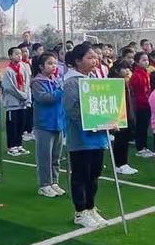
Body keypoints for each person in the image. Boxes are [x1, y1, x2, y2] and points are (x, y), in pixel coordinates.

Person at [63, 43, 109, 228]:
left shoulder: (94, 79)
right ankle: (80, 212)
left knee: (94, 174)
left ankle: (90, 207)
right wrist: (90, 123)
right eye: (90, 58)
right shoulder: (72, 82)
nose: (95, 61)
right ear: (77, 61)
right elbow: (71, 109)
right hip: (81, 137)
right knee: (81, 174)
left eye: (96, 58)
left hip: (97, 136)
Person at [31, 53, 65, 198]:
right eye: (50, 63)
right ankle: (44, 184)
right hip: (44, 124)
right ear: (41, 66)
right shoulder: (38, 83)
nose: (53, 66)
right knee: (45, 156)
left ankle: (54, 182)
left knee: (56, 156)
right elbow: (46, 99)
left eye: (55, 63)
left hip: (58, 123)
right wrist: (60, 90)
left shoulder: (56, 81)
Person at [109, 61, 138, 175]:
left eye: (128, 68)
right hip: (120, 115)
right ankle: (120, 164)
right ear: (117, 70)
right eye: (124, 68)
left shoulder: (125, 81)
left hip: (126, 114)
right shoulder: (116, 82)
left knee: (123, 140)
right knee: (120, 140)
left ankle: (123, 163)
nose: (127, 71)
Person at [2, 47, 31, 156]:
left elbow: (27, 82)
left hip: (22, 103)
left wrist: (26, 95)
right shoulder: (8, 70)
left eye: (20, 54)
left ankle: (19, 144)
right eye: (16, 54)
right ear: (10, 56)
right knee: (12, 125)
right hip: (13, 103)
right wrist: (22, 95)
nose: (19, 56)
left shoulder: (23, 67)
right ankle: (12, 146)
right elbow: (9, 87)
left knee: (20, 125)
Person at [129, 51, 154, 157]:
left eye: (147, 60)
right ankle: (140, 148)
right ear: (137, 62)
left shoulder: (146, 73)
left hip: (146, 103)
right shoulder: (136, 75)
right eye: (143, 60)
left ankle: (144, 147)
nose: (146, 62)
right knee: (141, 126)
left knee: (144, 126)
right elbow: (137, 92)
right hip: (141, 104)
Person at [18, 43, 34, 141]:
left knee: (30, 110)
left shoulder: (29, 63)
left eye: (26, 51)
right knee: (23, 112)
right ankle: (23, 132)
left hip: (29, 91)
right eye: (22, 51)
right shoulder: (19, 65)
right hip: (22, 92)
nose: (25, 53)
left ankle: (29, 130)